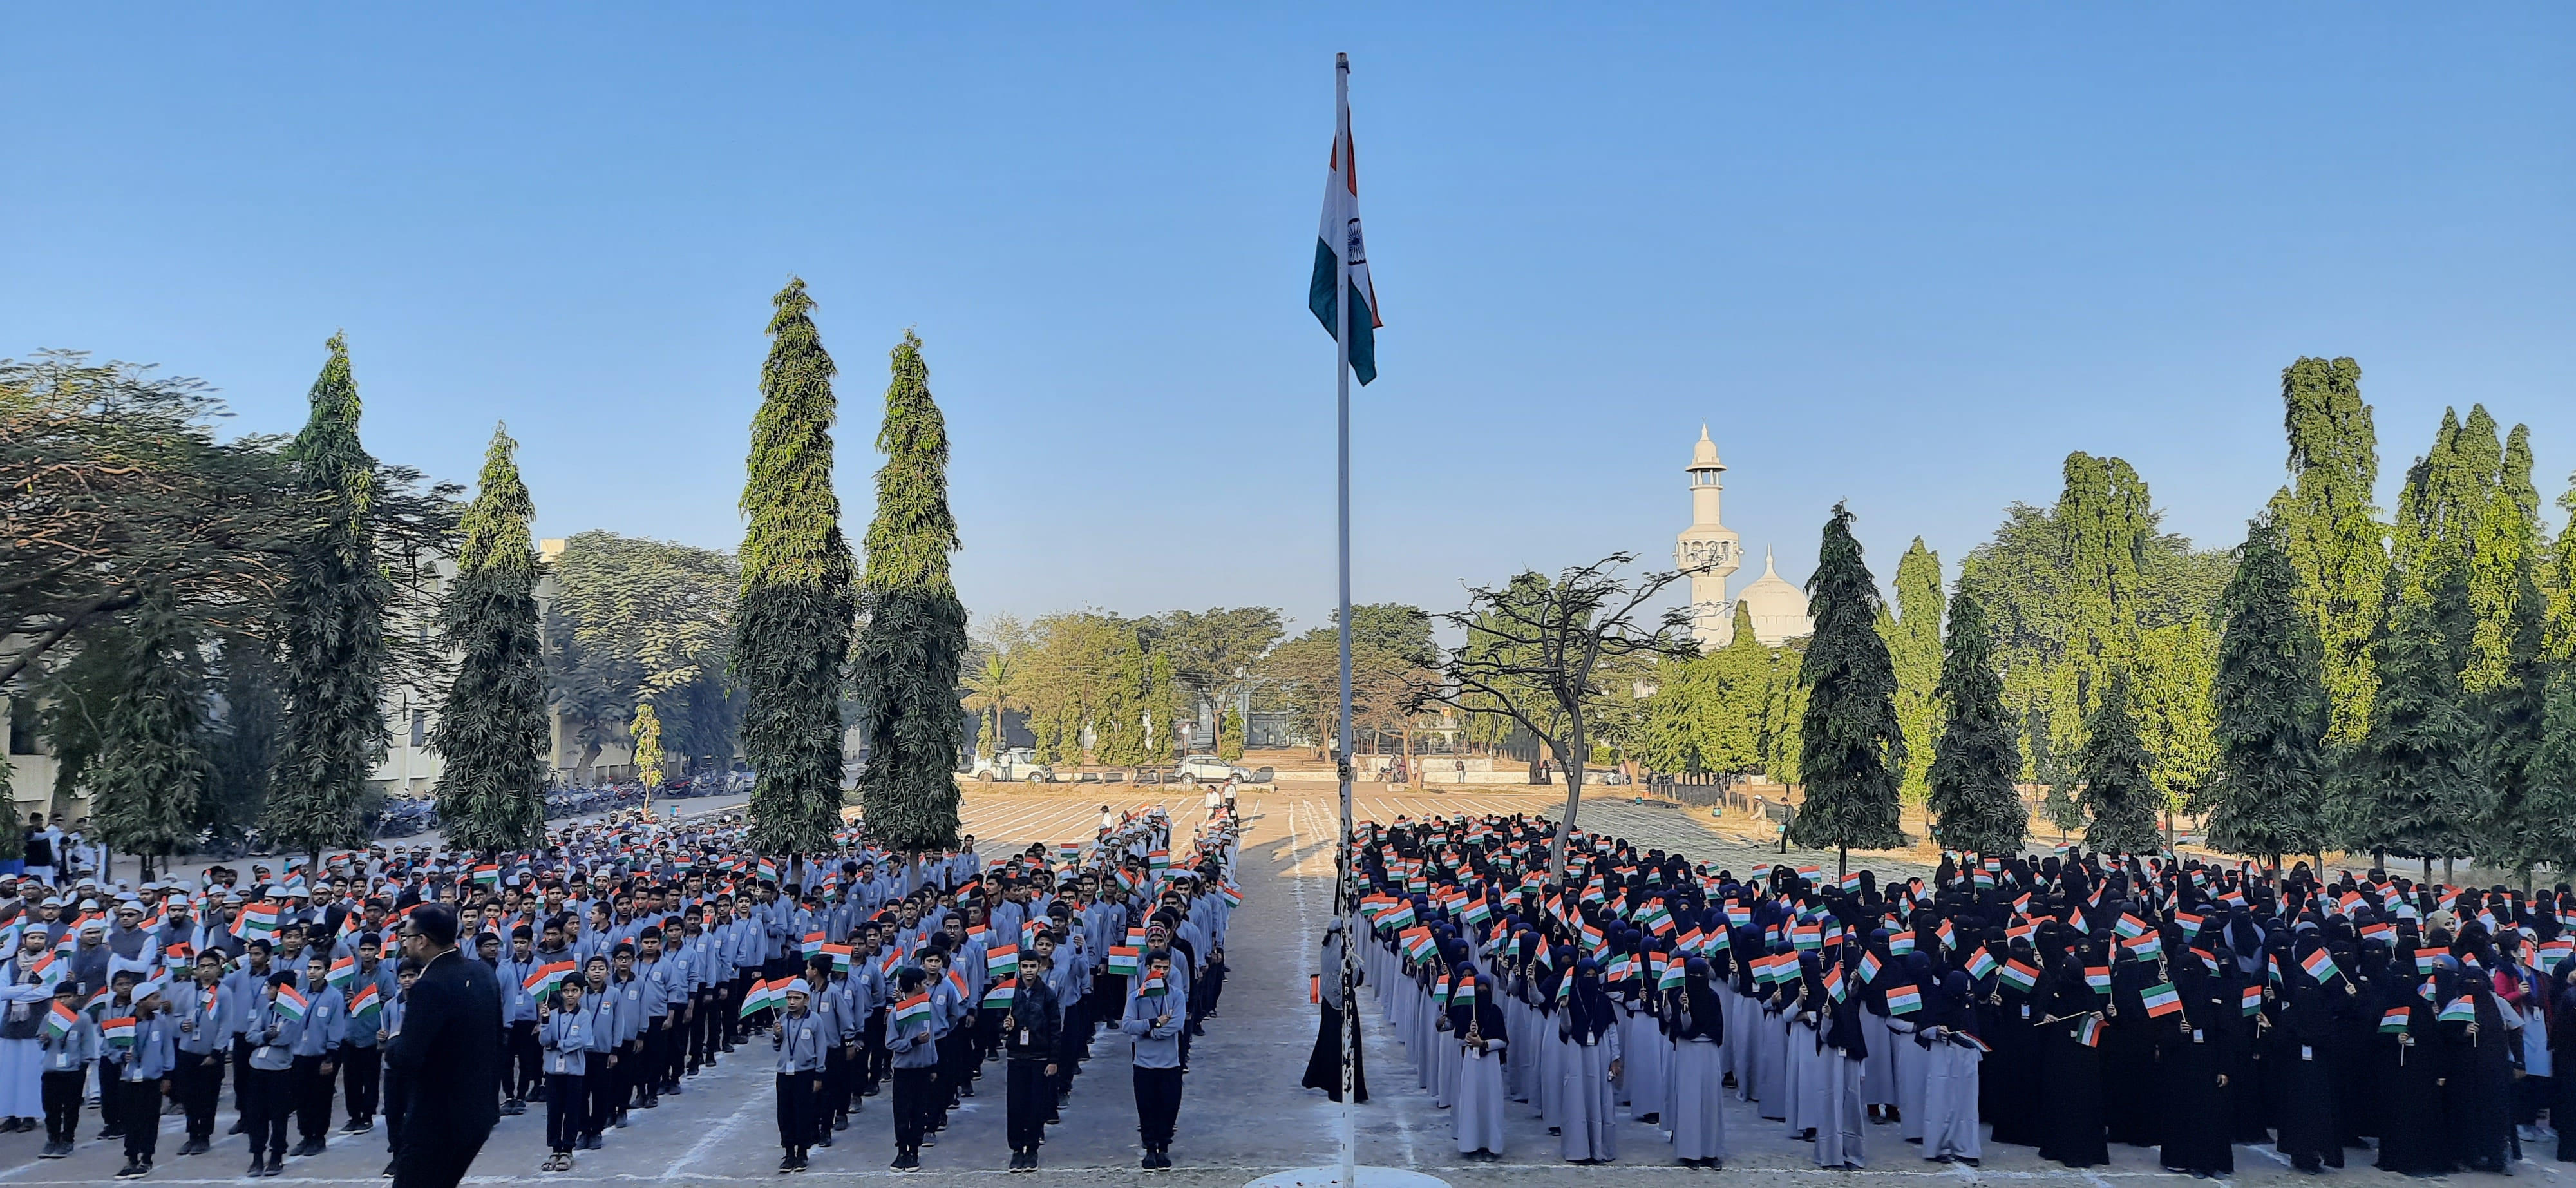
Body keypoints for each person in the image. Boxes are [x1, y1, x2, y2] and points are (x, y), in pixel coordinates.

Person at [385, 902, 502, 1188]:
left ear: (422, 940)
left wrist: (392, 1043)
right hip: (478, 1112)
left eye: (408, 937)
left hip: (439, 1118)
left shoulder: (430, 985)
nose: (405, 944)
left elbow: (408, 1056)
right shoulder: (481, 971)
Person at [1122, 950, 1185, 1170]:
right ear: (1148, 969)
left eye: (1166, 968)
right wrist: (1153, 1023)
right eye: (1157, 967)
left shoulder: (1176, 995)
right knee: (1147, 1108)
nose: (1162, 972)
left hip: (1170, 1063)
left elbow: (1177, 1024)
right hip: (1144, 1063)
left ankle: (1164, 1149)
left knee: (1169, 1107)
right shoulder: (1136, 997)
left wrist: (1152, 1032)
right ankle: (1150, 1149)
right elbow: (1127, 1025)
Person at [1003, 950, 1061, 1172]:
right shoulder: (1010, 992)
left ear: (1039, 968)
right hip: (1016, 1056)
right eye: (1025, 966)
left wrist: (1054, 1059)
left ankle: (1033, 1149)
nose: (1028, 971)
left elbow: (1056, 1028)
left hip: (1039, 1057)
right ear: (1019, 967)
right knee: (1016, 1105)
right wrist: (1005, 1026)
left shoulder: (1048, 994)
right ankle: (1017, 1150)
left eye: (1032, 967)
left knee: (1036, 1105)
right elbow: (998, 1019)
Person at [1301, 919, 1368, 1102]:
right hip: (1343, 1004)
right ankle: (1343, 1086)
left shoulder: (1327, 948)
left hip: (1328, 1005)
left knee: (1329, 1042)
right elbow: (1354, 976)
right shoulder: (1341, 952)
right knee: (1344, 1045)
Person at [536, 979, 598, 1172]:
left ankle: (568, 1149)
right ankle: (555, 1148)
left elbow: (583, 1039)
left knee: (572, 1109)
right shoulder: (553, 1014)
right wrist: (545, 1021)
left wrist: (560, 1044)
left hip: (574, 1070)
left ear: (581, 993)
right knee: (554, 1110)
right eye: (566, 991)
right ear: (561, 993)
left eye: (574, 991)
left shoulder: (584, 1016)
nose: (570, 995)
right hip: (554, 1070)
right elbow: (544, 1040)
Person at [886, 966, 937, 1171]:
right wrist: (913, 1042)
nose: (926, 987)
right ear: (916, 986)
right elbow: (891, 1043)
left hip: (923, 1069)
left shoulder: (927, 1009)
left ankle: (914, 1152)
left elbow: (931, 1041)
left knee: (919, 1111)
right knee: (902, 1112)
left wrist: (933, 1065)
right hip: (903, 1070)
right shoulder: (897, 1013)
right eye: (924, 984)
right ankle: (901, 1152)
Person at [773, 980, 826, 1173]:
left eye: (797, 998)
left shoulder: (815, 1021)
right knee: (784, 1113)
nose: (792, 1002)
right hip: (784, 1073)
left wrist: (819, 1074)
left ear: (806, 999)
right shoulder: (782, 1020)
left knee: (803, 1112)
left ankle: (802, 1152)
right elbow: (777, 1048)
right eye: (789, 998)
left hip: (805, 1073)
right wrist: (777, 1035)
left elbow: (821, 1048)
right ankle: (789, 1152)